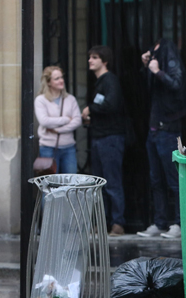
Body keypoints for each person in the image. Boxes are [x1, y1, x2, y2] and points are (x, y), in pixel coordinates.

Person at [137, 38, 186, 239]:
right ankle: (159, 222)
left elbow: (177, 84)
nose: (152, 53)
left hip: (167, 130)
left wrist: (157, 71)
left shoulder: (169, 64)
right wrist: (147, 68)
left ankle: (177, 223)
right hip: (154, 131)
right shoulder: (156, 66)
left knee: (173, 179)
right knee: (156, 180)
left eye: (155, 50)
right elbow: (148, 92)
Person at [82, 45, 128, 237]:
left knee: (112, 182)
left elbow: (111, 104)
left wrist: (90, 110)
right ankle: (103, 223)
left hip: (110, 138)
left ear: (104, 61)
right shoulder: (100, 82)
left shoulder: (109, 80)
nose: (90, 60)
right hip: (100, 137)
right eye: (89, 57)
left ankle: (117, 223)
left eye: (95, 57)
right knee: (101, 184)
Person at [34, 66, 82, 174]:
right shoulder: (41, 100)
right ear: (48, 82)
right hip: (48, 148)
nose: (61, 81)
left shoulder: (70, 99)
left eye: (61, 77)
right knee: (50, 185)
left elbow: (77, 120)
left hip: (68, 148)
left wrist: (58, 130)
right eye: (56, 78)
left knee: (70, 184)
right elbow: (44, 121)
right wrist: (65, 120)